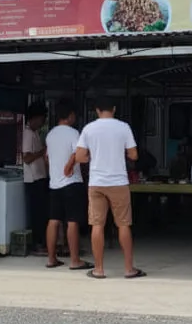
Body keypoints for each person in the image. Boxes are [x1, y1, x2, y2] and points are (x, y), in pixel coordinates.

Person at [75, 97, 145, 279]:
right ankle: (129, 269)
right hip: (118, 182)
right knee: (123, 224)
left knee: (97, 225)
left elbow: (80, 156)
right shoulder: (123, 127)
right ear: (114, 109)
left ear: (97, 110)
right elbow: (134, 155)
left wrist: (94, 157)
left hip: (97, 182)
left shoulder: (89, 129)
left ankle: (98, 269)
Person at [44, 101, 92, 271]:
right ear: (70, 115)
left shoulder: (50, 135)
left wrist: (55, 172)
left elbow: (47, 158)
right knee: (72, 221)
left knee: (53, 220)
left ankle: (51, 259)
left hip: (54, 183)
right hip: (71, 183)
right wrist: (70, 165)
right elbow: (78, 154)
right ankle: (74, 260)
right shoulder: (73, 133)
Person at [21, 101, 50, 254]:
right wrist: (42, 151)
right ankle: (38, 243)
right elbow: (26, 158)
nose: (43, 122)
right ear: (35, 118)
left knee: (42, 212)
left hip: (40, 177)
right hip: (33, 180)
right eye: (42, 118)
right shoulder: (27, 133)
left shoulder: (35, 133)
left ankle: (42, 242)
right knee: (37, 214)